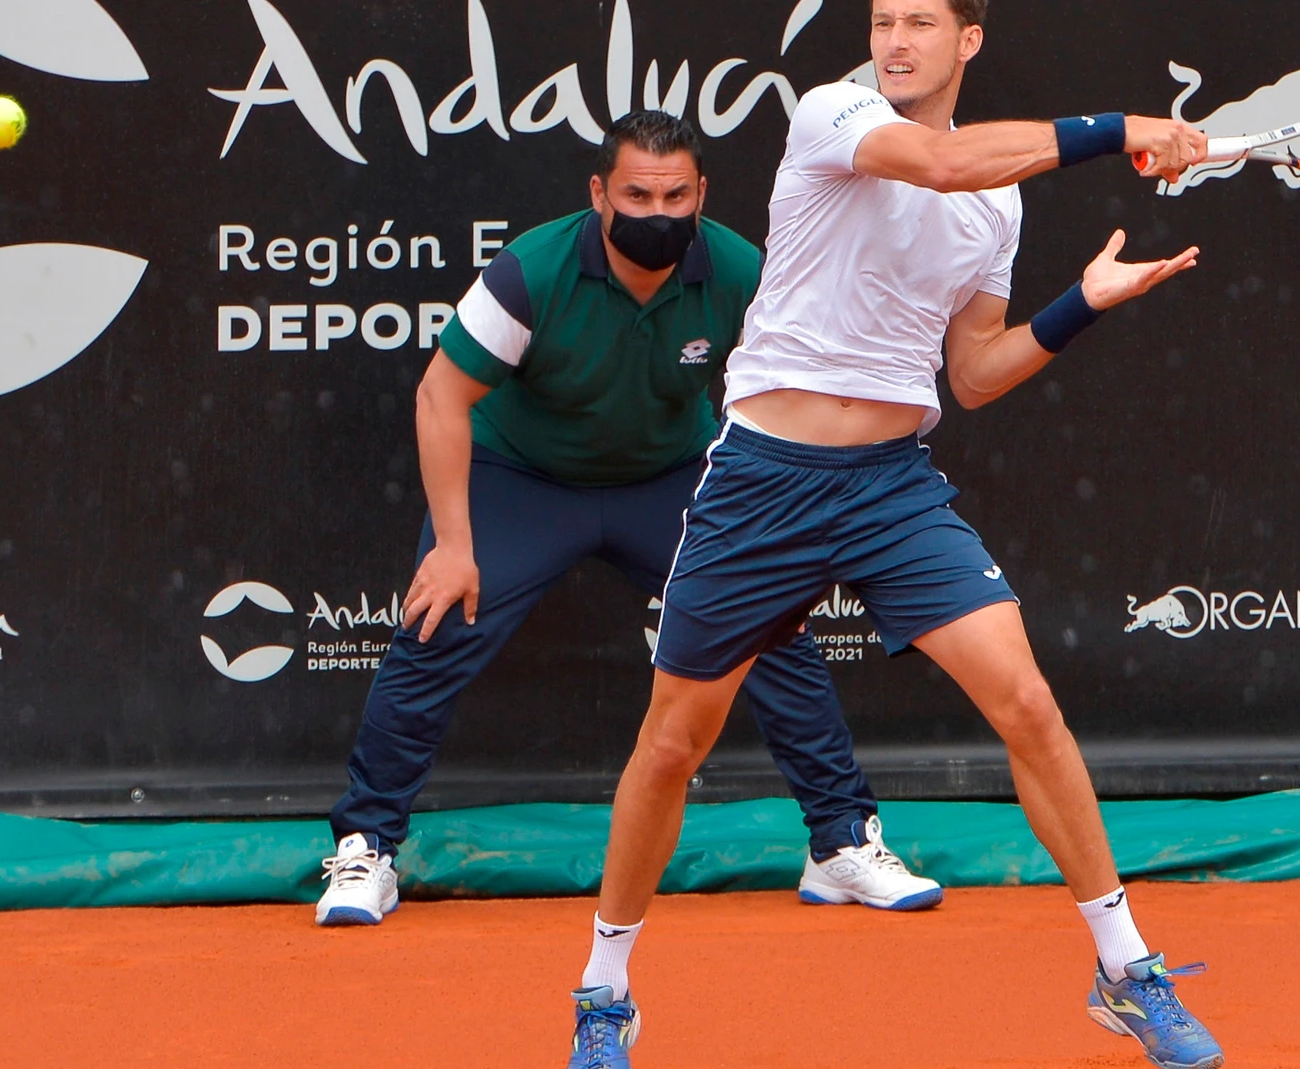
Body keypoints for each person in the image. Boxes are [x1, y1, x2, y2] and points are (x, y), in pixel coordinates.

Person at [563, 4, 1224, 1069]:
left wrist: (1082, 304)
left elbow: (971, 373)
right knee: (672, 745)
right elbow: (941, 163)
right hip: (762, 477)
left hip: (886, 484)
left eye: (921, 21)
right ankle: (604, 991)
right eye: (883, 20)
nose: (896, 40)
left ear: (968, 39)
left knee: (1026, 702)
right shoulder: (835, 114)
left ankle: (1124, 968)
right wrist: (1119, 129)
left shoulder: (998, 204)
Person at [315, 111, 943, 928]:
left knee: (775, 624)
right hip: (521, 478)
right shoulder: (530, 271)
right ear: (599, 193)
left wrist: (794, 521)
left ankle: (840, 842)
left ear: (702, 193)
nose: (657, 212)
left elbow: (798, 392)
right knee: (436, 619)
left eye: (676, 194)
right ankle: (367, 846)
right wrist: (457, 544)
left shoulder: (744, 271)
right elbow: (441, 395)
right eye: (637, 194)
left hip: (671, 479)